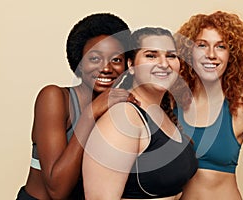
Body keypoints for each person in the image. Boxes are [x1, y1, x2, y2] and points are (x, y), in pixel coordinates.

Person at [16, 13, 138, 200]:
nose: (106, 68)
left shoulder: (117, 106)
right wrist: (90, 113)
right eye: (95, 58)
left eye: (116, 60)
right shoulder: (54, 97)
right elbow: (57, 190)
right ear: (79, 64)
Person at [172, 11, 243, 200]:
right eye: (202, 45)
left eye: (221, 47)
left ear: (232, 55)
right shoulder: (171, 104)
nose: (211, 55)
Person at [82, 27, 198, 200]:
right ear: (131, 65)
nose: (164, 64)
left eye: (171, 56)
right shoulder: (123, 117)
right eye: (151, 55)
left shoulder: (164, 114)